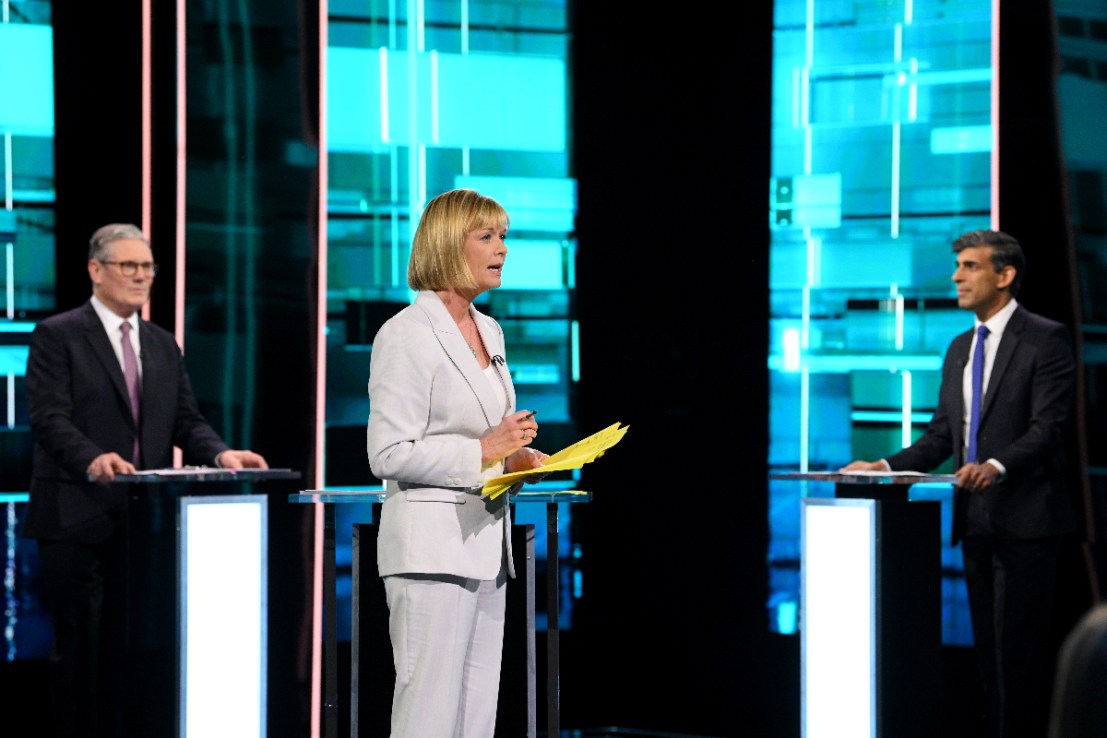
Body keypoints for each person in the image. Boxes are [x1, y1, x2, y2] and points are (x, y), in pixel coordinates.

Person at [24, 222, 269, 738]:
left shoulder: (161, 343)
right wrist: (94, 459)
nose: (141, 276)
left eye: (147, 267)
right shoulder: (58, 335)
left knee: (131, 652)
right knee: (81, 651)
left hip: (142, 525)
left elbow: (185, 420)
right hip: (75, 518)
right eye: (129, 266)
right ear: (96, 270)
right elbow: (48, 418)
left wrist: (221, 453)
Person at [841, 229, 1077, 738]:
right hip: (975, 524)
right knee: (988, 660)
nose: (956, 277)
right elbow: (941, 437)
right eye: (958, 266)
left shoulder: (1045, 338)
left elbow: (1049, 429)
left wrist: (995, 465)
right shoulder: (959, 348)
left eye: (970, 266)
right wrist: (883, 466)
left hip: (1027, 524)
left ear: (1005, 275)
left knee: (1019, 661)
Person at [366, 188, 548, 737]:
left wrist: (514, 458)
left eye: (503, 237)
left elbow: (486, 439)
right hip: (430, 552)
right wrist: (484, 450)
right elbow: (388, 452)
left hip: (488, 547)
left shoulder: (489, 330)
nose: (502, 249)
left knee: (475, 718)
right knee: (427, 716)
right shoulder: (405, 334)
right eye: (487, 237)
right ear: (448, 244)